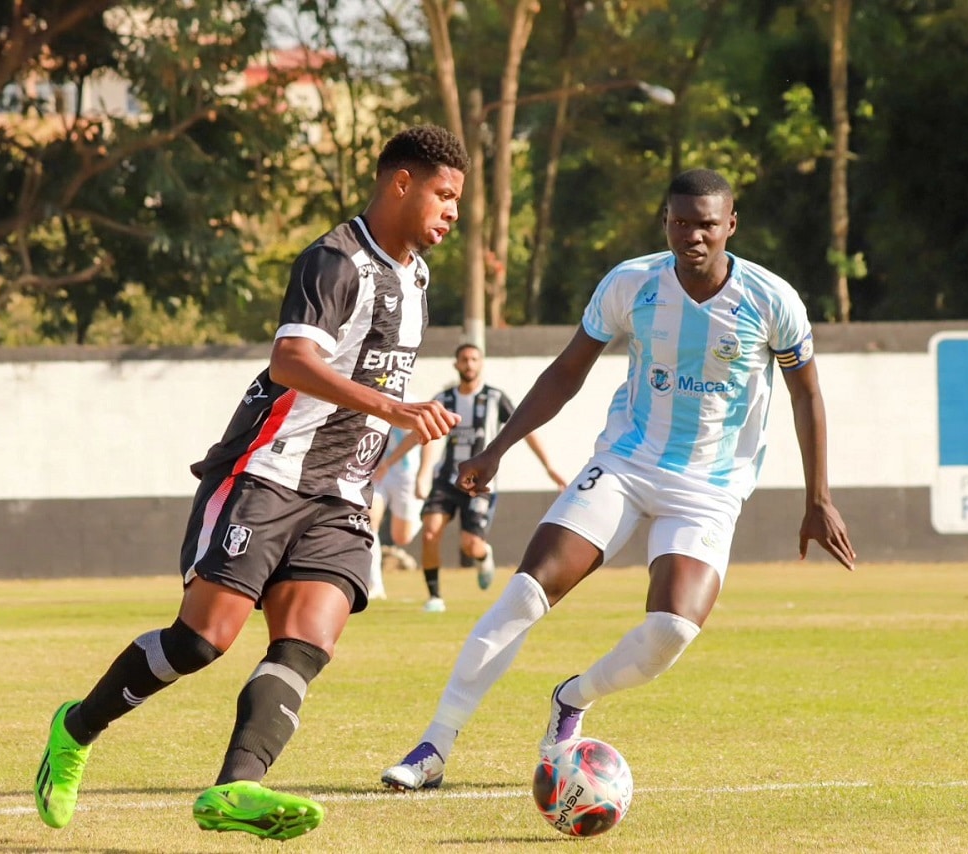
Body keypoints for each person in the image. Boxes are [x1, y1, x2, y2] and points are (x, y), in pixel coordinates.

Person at [32, 124, 469, 840]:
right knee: (202, 642)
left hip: (340, 495)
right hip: (265, 476)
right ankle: (75, 730)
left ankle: (235, 788)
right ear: (401, 182)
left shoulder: (416, 274)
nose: (452, 212)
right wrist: (394, 409)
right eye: (444, 195)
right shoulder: (335, 261)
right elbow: (291, 363)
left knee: (308, 639)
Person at [382, 167, 856, 791]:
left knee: (671, 631)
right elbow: (566, 372)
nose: (693, 236)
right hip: (626, 463)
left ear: (730, 226)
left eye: (707, 224)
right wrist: (497, 449)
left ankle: (573, 697)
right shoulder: (632, 283)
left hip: (709, 487)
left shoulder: (773, 301)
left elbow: (808, 396)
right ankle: (433, 747)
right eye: (681, 222)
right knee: (525, 592)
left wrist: (817, 498)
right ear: (665, 222)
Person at [378, 342, 566, 613]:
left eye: (474, 359)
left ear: (481, 364)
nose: (469, 364)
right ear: (456, 365)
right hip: (446, 479)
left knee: (471, 546)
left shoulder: (494, 398)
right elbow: (417, 432)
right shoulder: (444, 399)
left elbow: (525, 428)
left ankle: (483, 554)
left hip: (479, 483)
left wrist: (548, 466)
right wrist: (389, 463)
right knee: (430, 533)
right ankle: (435, 597)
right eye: (464, 359)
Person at [366, 409, 425, 600]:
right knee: (369, 520)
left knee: (402, 536)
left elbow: (419, 434)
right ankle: (375, 585)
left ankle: (420, 516)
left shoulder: (411, 400)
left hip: (404, 474)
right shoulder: (369, 395)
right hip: (375, 472)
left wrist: (389, 463)